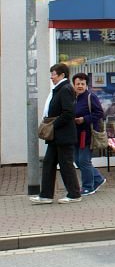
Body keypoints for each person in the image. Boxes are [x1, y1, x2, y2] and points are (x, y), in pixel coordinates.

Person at [30, 63, 82, 204]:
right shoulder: (59, 89)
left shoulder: (65, 89)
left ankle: (74, 194)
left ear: (62, 75)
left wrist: (53, 125)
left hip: (63, 135)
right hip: (57, 136)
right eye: (51, 74)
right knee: (48, 163)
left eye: (53, 74)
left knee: (66, 164)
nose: (51, 77)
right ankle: (46, 196)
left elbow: (69, 113)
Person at [72, 73, 107, 196]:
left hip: (87, 135)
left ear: (86, 85)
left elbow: (99, 113)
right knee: (77, 160)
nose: (80, 86)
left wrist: (84, 119)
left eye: (82, 84)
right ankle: (98, 179)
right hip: (75, 135)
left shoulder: (90, 97)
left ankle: (88, 186)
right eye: (78, 84)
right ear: (73, 85)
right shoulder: (73, 98)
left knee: (84, 160)